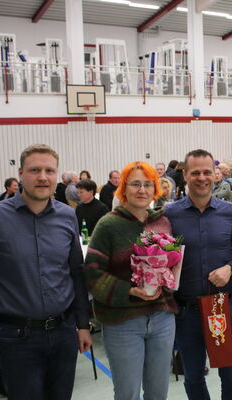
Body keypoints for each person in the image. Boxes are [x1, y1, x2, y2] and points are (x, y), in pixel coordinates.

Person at [0, 144, 92, 400]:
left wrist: (82, 324)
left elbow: (76, 274)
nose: (43, 177)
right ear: (21, 174)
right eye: (35, 170)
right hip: (16, 338)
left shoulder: (68, 216)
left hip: (63, 332)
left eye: (49, 170)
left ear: (56, 176)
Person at [84, 161, 177, 400]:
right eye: (135, 184)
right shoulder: (108, 225)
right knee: (127, 393)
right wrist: (130, 290)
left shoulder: (162, 222)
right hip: (123, 322)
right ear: (123, 188)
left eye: (148, 184)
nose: (142, 190)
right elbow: (92, 273)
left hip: (162, 318)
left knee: (158, 392)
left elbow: (170, 263)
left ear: (155, 189)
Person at [165, 149, 232, 400]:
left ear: (215, 174)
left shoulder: (231, 212)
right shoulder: (169, 214)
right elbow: (159, 255)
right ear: (185, 175)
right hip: (186, 311)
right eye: (195, 173)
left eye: (206, 172)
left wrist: (230, 267)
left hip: (220, 307)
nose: (201, 178)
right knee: (193, 377)